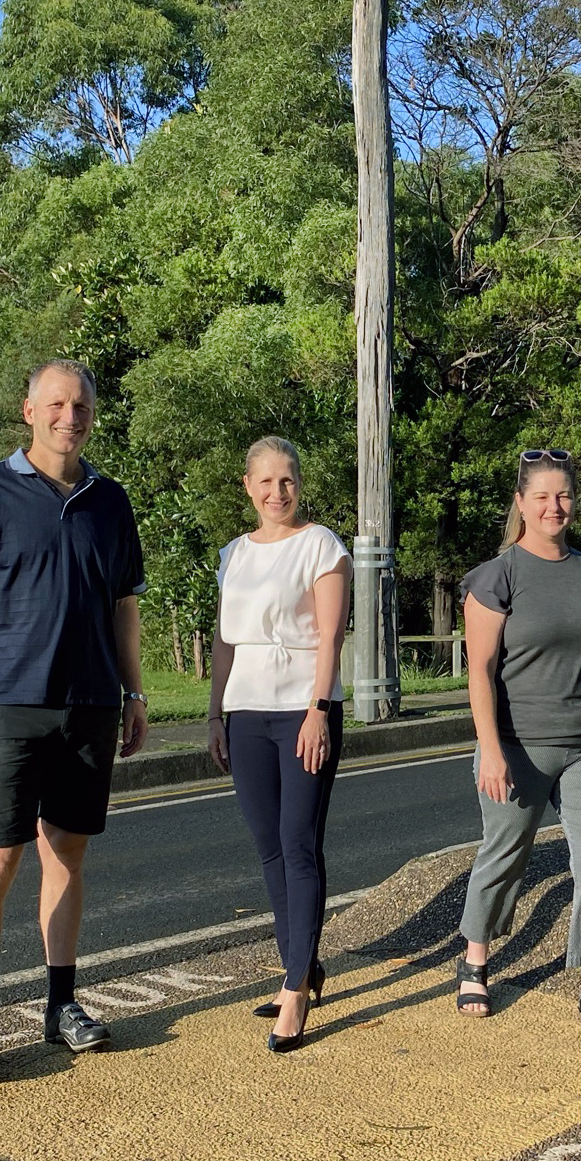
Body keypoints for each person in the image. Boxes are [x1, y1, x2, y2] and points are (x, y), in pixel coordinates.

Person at [0, 359, 150, 1082]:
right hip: (5, 705)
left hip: (89, 707)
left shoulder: (109, 501)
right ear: (29, 410)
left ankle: (60, 1004)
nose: (69, 416)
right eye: (55, 404)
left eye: (80, 405)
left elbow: (123, 609)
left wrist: (134, 695)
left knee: (67, 858)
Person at [455, 449, 581, 1037]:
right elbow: (479, 671)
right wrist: (489, 748)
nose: (553, 507)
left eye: (562, 496)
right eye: (541, 497)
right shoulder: (497, 575)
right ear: (521, 504)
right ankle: (474, 961)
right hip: (517, 746)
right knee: (505, 856)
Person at [207, 437, 351, 1053]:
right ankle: (301, 962)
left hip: (302, 708)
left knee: (299, 845)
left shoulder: (321, 546)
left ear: (299, 483)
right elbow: (224, 640)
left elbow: (330, 636)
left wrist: (318, 710)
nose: (277, 493)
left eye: (287, 480)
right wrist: (215, 713)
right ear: (248, 486)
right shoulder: (234, 554)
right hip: (245, 711)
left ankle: (296, 989)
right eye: (265, 482)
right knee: (269, 849)